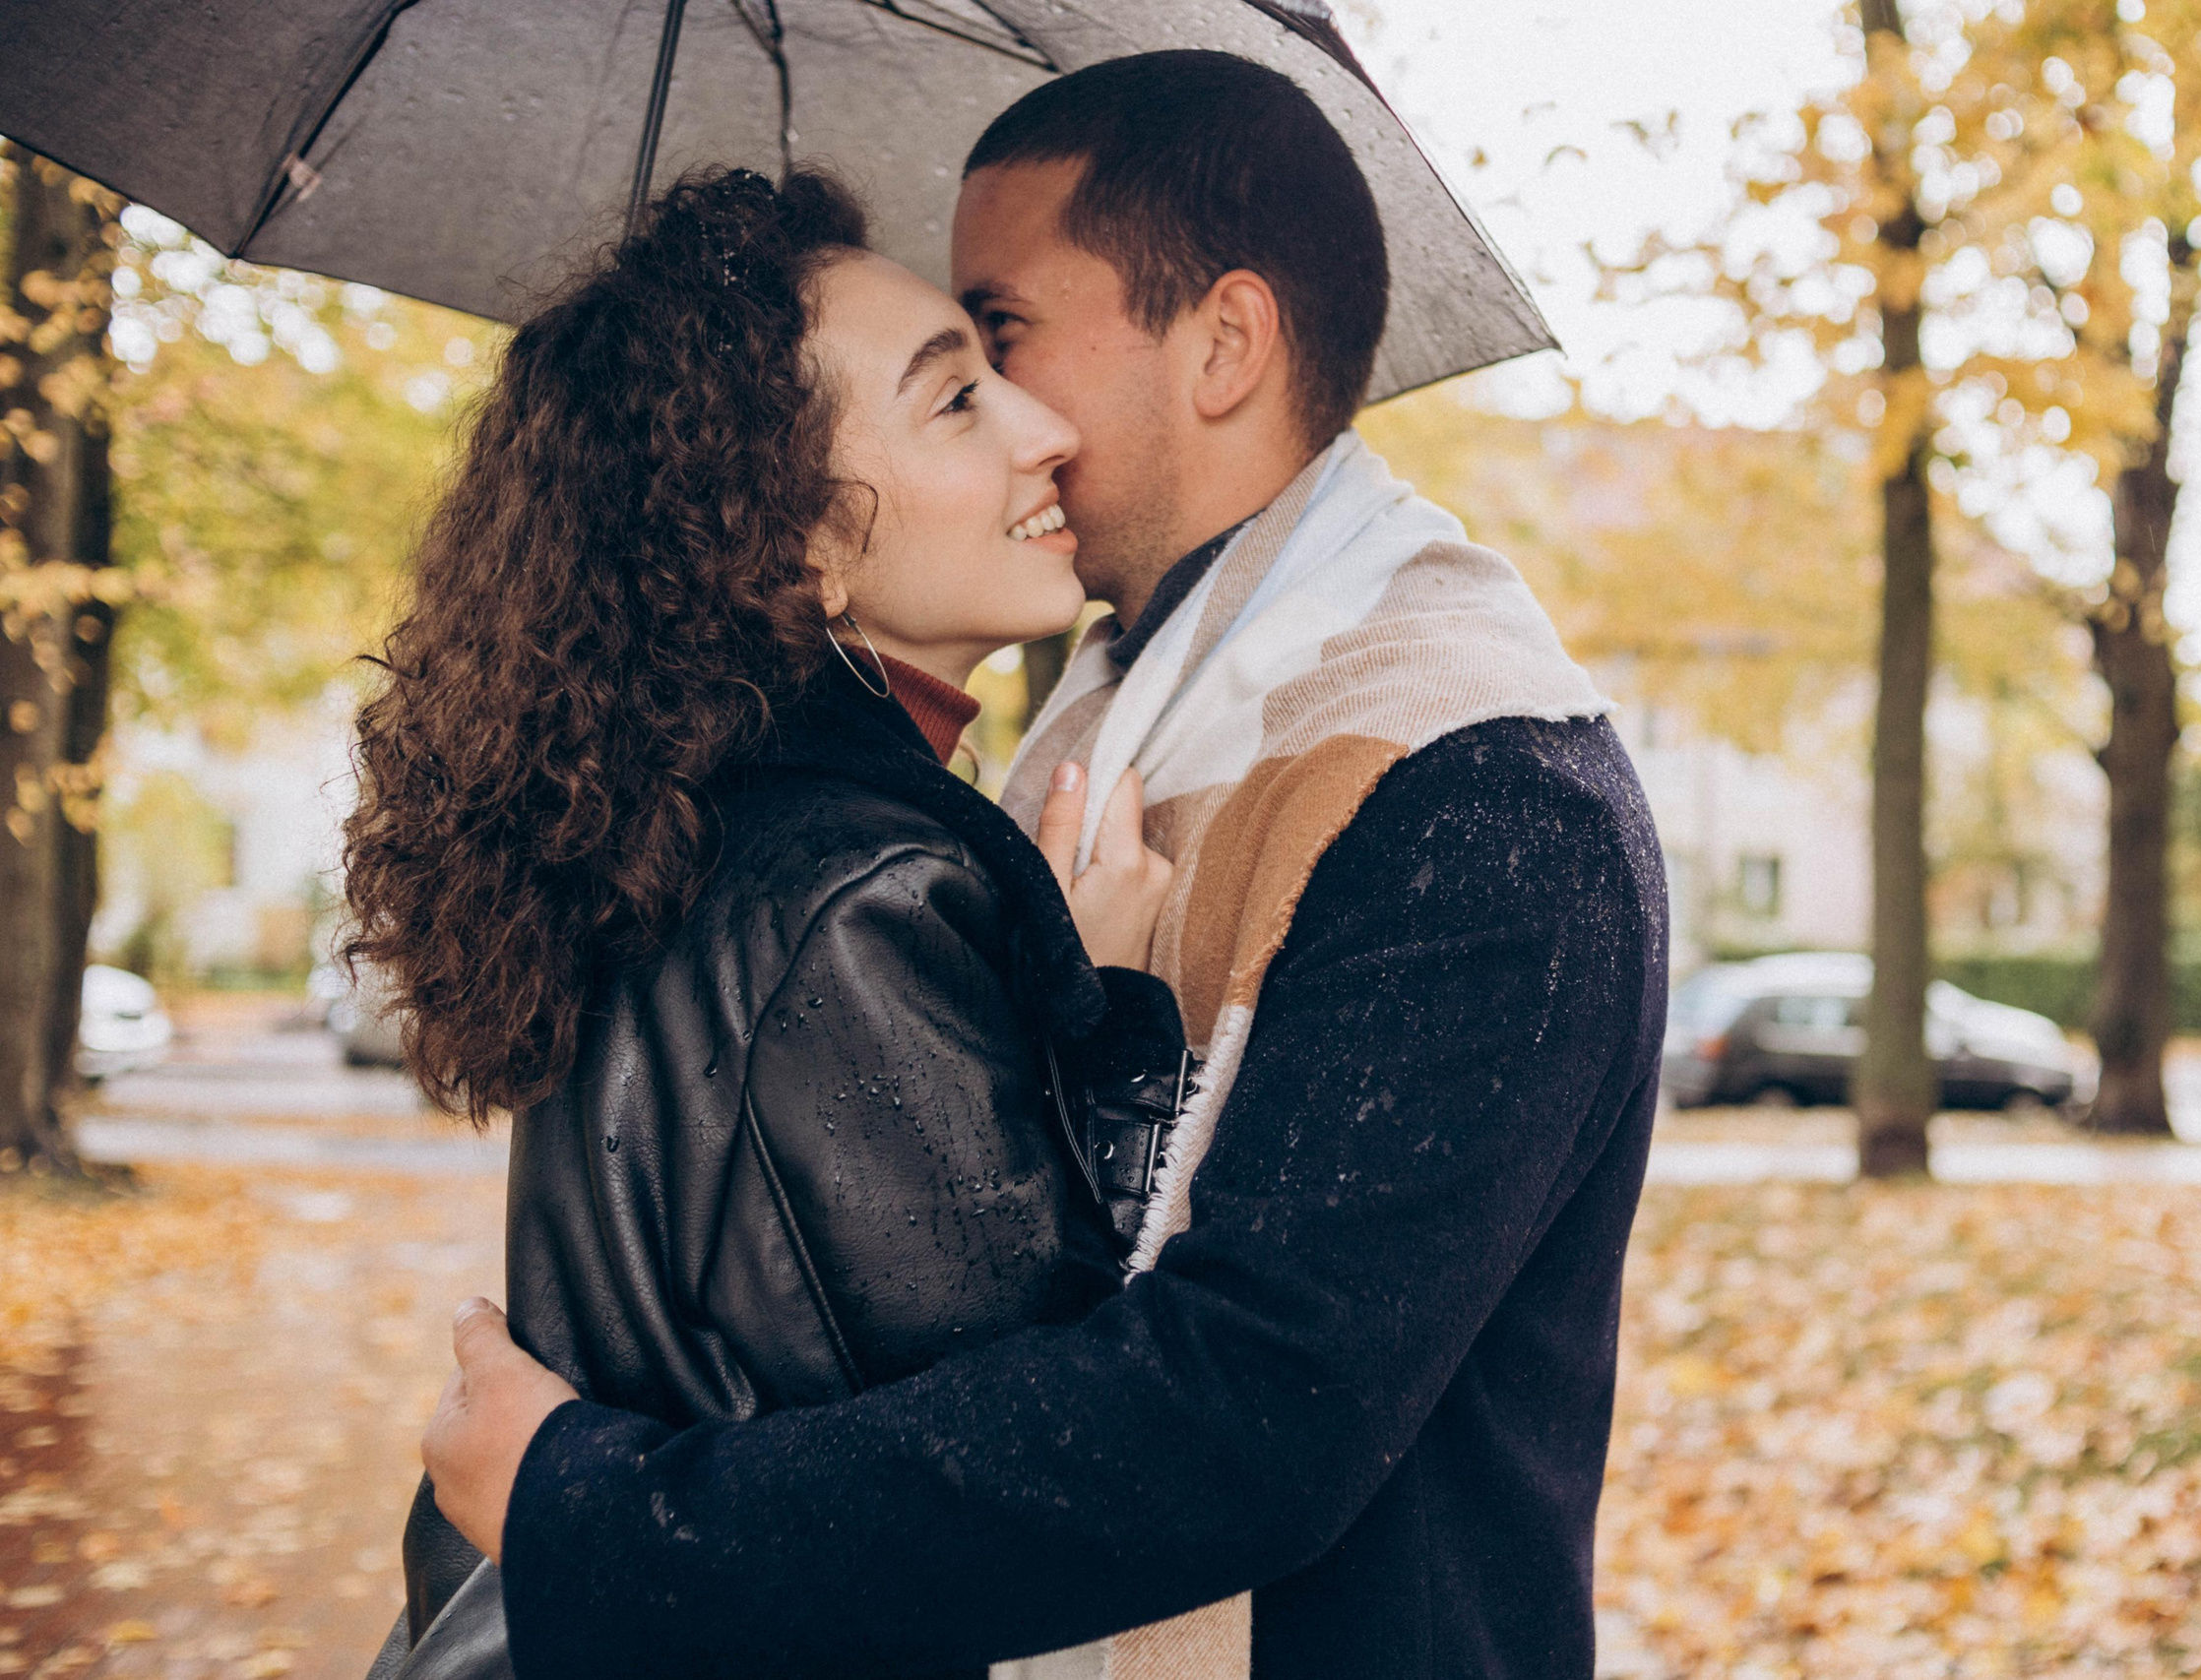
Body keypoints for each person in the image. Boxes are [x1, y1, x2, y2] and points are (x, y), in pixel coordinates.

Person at [421, 50, 1670, 1680]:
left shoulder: (1475, 784)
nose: (1014, 413)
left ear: (1222, 344)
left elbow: (1244, 1417)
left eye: (998, 330)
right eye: (958, 379)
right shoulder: (1033, 751)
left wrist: (597, 1514)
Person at [344, 165, 1189, 1680]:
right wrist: (1114, 1010)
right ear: (797, 544)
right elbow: (1047, 1459)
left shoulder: (672, 829)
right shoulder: (859, 892)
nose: (1045, 428)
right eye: (956, 400)